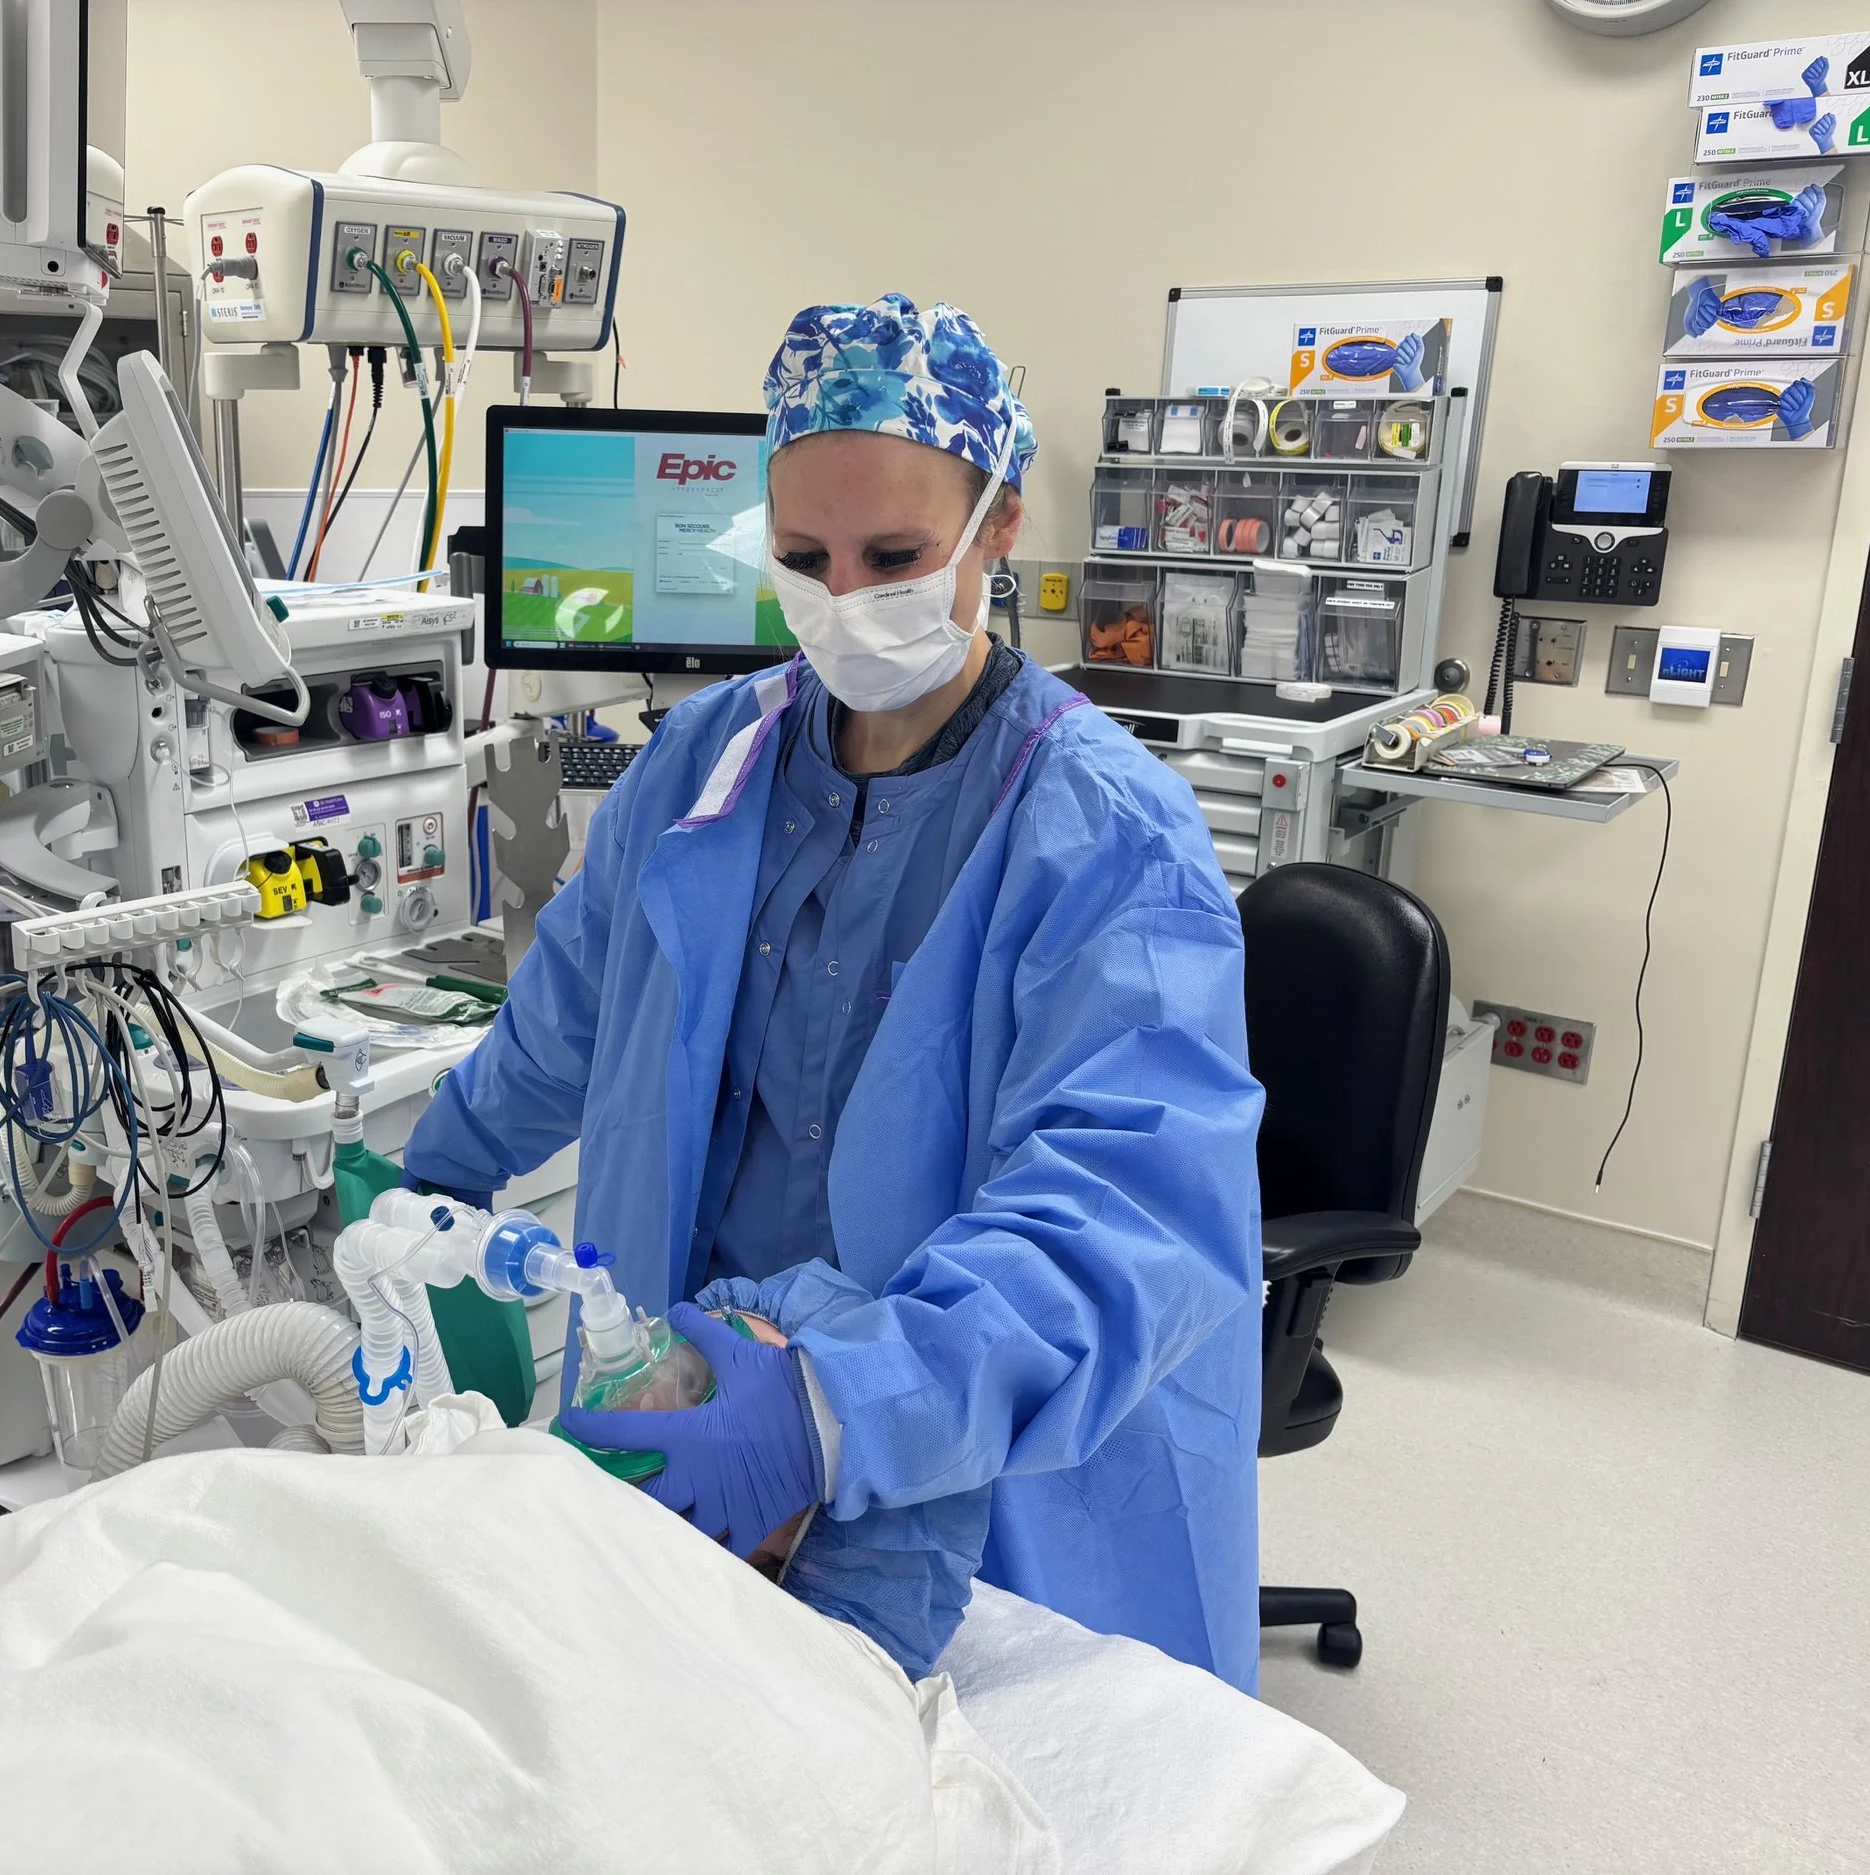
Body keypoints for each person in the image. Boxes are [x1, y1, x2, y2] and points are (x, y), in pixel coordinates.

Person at [403, 294, 1266, 1689]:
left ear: (999, 524)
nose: (848, 600)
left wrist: (827, 1405)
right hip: (693, 1415)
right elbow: (564, 1021)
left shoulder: (1110, 837)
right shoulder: (698, 768)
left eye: (897, 556)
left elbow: (1126, 1216)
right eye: (804, 558)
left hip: (973, 1464)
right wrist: (429, 1170)